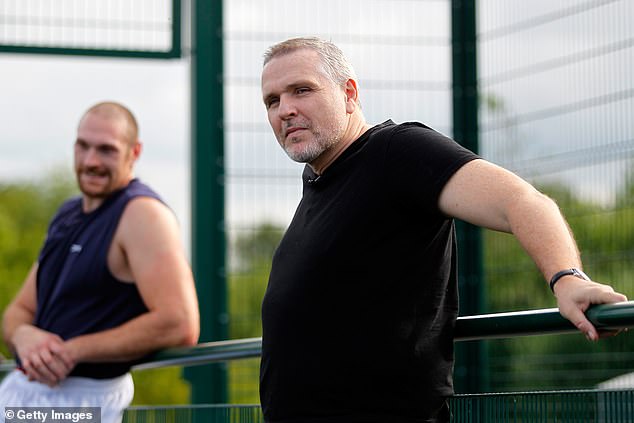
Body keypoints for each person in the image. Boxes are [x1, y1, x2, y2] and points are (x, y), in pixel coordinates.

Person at [258, 37, 628, 423]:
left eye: (301, 90)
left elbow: (520, 201)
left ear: (349, 94)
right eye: (272, 101)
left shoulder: (396, 152)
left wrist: (567, 278)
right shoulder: (318, 183)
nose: (286, 109)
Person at [0, 102, 200, 423]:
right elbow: (17, 312)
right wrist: (24, 335)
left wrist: (72, 351)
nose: (91, 161)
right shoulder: (68, 213)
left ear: (134, 152)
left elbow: (179, 323)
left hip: (81, 402)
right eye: (83, 146)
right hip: (28, 394)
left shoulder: (143, 214)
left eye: (106, 150)